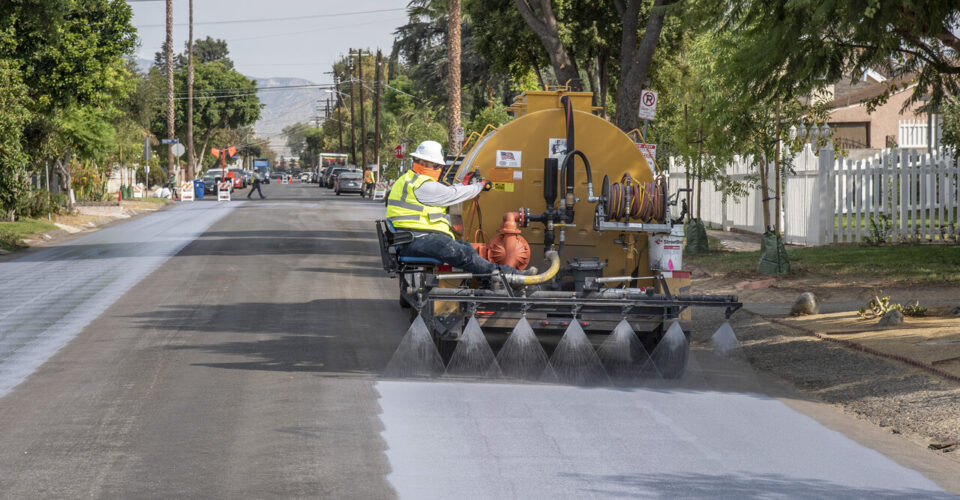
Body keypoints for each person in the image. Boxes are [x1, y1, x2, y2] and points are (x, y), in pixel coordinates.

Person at [386, 140, 530, 277]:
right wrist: (479, 186)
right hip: (416, 239)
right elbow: (451, 195)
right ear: (423, 162)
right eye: (437, 166)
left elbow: (444, 191)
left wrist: (464, 185)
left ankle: (488, 280)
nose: (439, 170)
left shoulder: (409, 180)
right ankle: (503, 275)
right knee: (460, 252)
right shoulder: (422, 185)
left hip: (413, 238)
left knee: (467, 249)